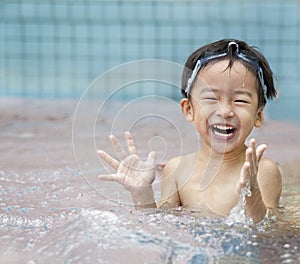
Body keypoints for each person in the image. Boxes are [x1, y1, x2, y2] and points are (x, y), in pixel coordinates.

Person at [97, 39, 282, 223]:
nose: (225, 111)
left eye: (240, 101)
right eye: (211, 98)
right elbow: (162, 227)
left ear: (258, 115)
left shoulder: (263, 171)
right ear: (189, 109)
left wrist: (253, 196)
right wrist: (142, 193)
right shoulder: (177, 169)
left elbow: (266, 231)